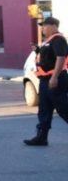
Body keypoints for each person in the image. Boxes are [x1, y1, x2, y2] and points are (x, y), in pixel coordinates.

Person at [24, 17, 68, 146]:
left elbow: (60, 58)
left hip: (55, 79)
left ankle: (41, 137)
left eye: (45, 26)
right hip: (44, 81)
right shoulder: (48, 41)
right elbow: (48, 58)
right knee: (44, 110)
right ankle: (41, 137)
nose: (42, 29)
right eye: (42, 26)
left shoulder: (58, 39)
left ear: (54, 26)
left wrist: (54, 77)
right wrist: (37, 50)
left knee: (63, 108)